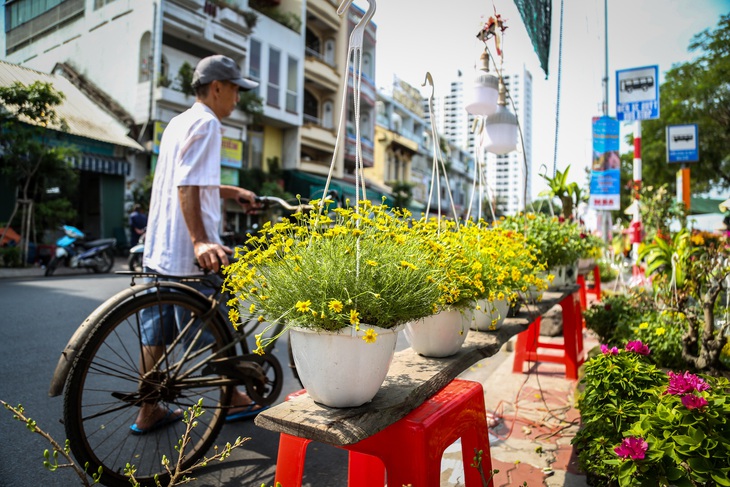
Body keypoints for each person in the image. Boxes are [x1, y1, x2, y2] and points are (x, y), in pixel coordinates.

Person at [132, 54, 262, 434]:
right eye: (235, 89)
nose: (237, 98)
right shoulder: (207, 124)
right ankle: (234, 396)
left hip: (160, 250)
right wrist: (202, 240)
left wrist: (231, 191)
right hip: (189, 256)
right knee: (219, 328)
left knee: (153, 335)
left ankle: (148, 409)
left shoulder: (178, 122)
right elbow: (187, 185)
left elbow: (188, 180)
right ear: (217, 87)